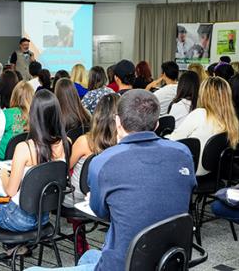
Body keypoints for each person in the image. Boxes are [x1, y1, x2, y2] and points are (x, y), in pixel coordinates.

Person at [27, 89, 196, 271]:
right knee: (89, 256)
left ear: (117, 122)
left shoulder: (104, 161)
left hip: (123, 265)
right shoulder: (183, 153)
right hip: (168, 261)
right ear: (156, 124)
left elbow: (101, 212)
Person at [0, 89, 70, 261]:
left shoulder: (25, 148)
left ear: (33, 115)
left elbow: (11, 192)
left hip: (18, 219)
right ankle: (14, 247)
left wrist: (2, 176)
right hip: (44, 217)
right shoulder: (67, 143)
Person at [64, 94, 118, 255]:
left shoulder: (84, 141)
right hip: (109, 196)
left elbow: (66, 168)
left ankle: (78, 237)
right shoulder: (122, 143)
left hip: (79, 198)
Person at [168, 77, 239, 176]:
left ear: (204, 95)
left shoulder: (200, 114)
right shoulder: (230, 120)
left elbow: (173, 141)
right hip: (213, 170)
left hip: (191, 170)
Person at [0, 82, 34, 160]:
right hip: (24, 159)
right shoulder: (35, 116)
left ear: (14, 96)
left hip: (0, 160)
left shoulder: (5, 114)